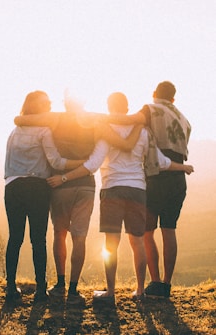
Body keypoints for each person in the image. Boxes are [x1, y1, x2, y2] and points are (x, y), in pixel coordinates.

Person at [47, 92, 194, 303]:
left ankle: (110, 293)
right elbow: (160, 162)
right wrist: (183, 167)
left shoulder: (106, 130)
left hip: (112, 189)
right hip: (138, 190)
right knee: (138, 242)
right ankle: (141, 291)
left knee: (111, 243)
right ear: (127, 108)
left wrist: (64, 177)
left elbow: (93, 164)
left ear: (109, 107)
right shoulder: (143, 131)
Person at [14, 94, 143, 305]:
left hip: (59, 184)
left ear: (65, 102)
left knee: (59, 233)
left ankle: (60, 285)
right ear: (83, 102)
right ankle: (73, 291)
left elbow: (21, 120)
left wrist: (19, 119)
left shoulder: (55, 118)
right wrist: (139, 120)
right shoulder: (95, 120)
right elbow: (124, 132)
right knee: (79, 237)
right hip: (85, 185)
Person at [4, 91, 85, 303]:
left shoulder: (14, 131)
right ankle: (40, 291)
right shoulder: (44, 130)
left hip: (12, 187)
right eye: (46, 103)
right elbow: (56, 162)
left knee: (15, 238)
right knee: (38, 240)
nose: (49, 105)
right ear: (38, 107)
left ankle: (11, 289)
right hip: (37, 187)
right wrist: (81, 163)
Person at [123, 81, 192, 298]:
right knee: (169, 229)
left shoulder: (150, 109)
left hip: (155, 177)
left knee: (147, 231)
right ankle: (167, 284)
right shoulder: (183, 119)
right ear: (173, 98)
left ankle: (154, 282)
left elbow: (131, 121)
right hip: (178, 178)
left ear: (154, 94)